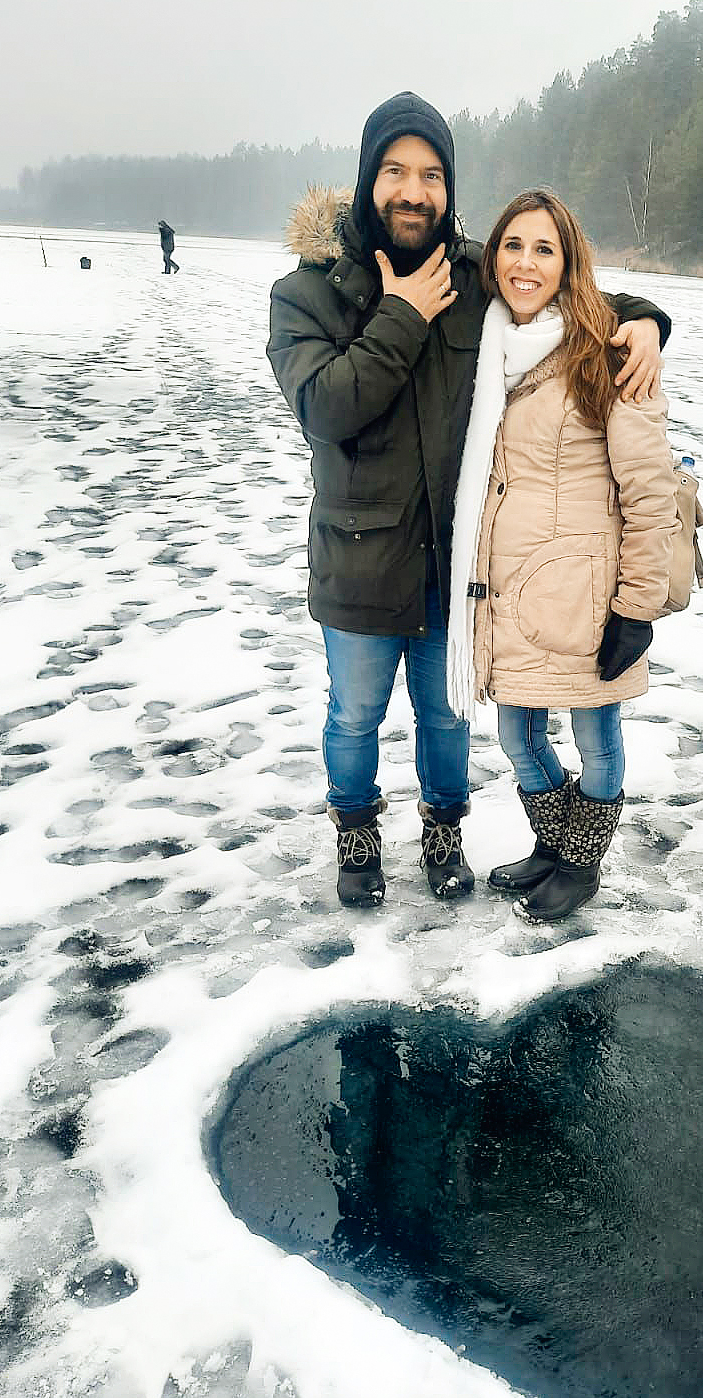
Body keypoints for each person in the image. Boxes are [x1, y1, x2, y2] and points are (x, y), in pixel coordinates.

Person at [267, 93, 670, 908]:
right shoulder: (305, 295)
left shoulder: (472, 273)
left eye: (430, 175)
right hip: (359, 560)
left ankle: (444, 836)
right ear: (365, 179)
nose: (412, 191)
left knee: (446, 720)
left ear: (449, 189)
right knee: (353, 719)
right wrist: (400, 317)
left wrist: (650, 320)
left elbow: (562, 287)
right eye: (394, 171)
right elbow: (327, 407)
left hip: (455, 561)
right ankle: (356, 838)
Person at [445, 190, 677, 923]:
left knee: (594, 738)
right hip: (510, 593)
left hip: (585, 596)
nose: (525, 263)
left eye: (544, 249)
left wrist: (635, 609)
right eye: (513, 245)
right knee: (517, 735)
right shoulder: (487, 348)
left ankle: (582, 862)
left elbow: (650, 492)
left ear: (568, 262)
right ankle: (556, 842)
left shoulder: (605, 351)